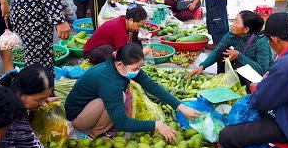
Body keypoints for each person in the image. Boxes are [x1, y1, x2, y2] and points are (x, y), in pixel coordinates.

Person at [218, 12, 288, 148]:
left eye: (269, 40)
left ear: (275, 39)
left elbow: (260, 101)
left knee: (227, 136)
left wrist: (257, 87)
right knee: (255, 88)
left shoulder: (285, 64)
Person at [66, 42, 201, 140]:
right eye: (135, 68)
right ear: (120, 64)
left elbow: (152, 86)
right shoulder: (109, 80)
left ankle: (96, 131)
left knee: (120, 98)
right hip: (78, 117)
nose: (138, 71)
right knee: (118, 99)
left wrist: (180, 107)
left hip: (90, 107)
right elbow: (121, 122)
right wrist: (156, 125)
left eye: (139, 67)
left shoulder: (122, 67)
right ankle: (91, 135)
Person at [0, 64, 96, 148]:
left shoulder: (6, 81)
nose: (44, 102)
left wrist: (39, 100)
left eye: (45, 98)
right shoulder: (13, 121)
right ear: (21, 94)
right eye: (40, 99)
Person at [187, 10, 272, 93]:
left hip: (256, 75)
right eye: (234, 20)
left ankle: (241, 86)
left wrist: (239, 55)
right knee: (222, 52)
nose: (233, 24)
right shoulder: (232, 35)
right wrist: (203, 66)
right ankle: (221, 78)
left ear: (246, 29)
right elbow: (218, 50)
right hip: (241, 65)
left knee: (240, 65)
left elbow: (262, 70)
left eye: (236, 22)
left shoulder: (260, 42)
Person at [83, 4, 149, 65]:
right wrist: (141, 54)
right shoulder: (119, 29)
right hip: (91, 53)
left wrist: (140, 51)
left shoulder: (127, 22)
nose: (139, 28)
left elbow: (136, 42)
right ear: (131, 20)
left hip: (107, 46)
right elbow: (123, 54)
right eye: (138, 25)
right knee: (113, 55)